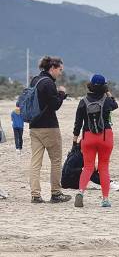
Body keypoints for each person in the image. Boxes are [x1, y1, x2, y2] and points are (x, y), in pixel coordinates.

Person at [29, 56, 71, 204]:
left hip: (34, 126)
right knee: (56, 160)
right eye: (60, 70)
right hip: (49, 127)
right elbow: (55, 105)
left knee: (35, 162)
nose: (60, 73)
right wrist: (61, 93)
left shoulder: (35, 80)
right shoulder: (49, 84)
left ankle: (35, 195)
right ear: (52, 68)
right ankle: (56, 193)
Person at [73, 74, 119, 208]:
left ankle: (81, 192)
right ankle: (105, 199)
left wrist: (75, 140)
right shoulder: (107, 100)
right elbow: (115, 105)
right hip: (105, 136)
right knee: (103, 167)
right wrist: (108, 92)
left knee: (87, 167)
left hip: (88, 136)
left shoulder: (83, 101)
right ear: (104, 86)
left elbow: (77, 123)